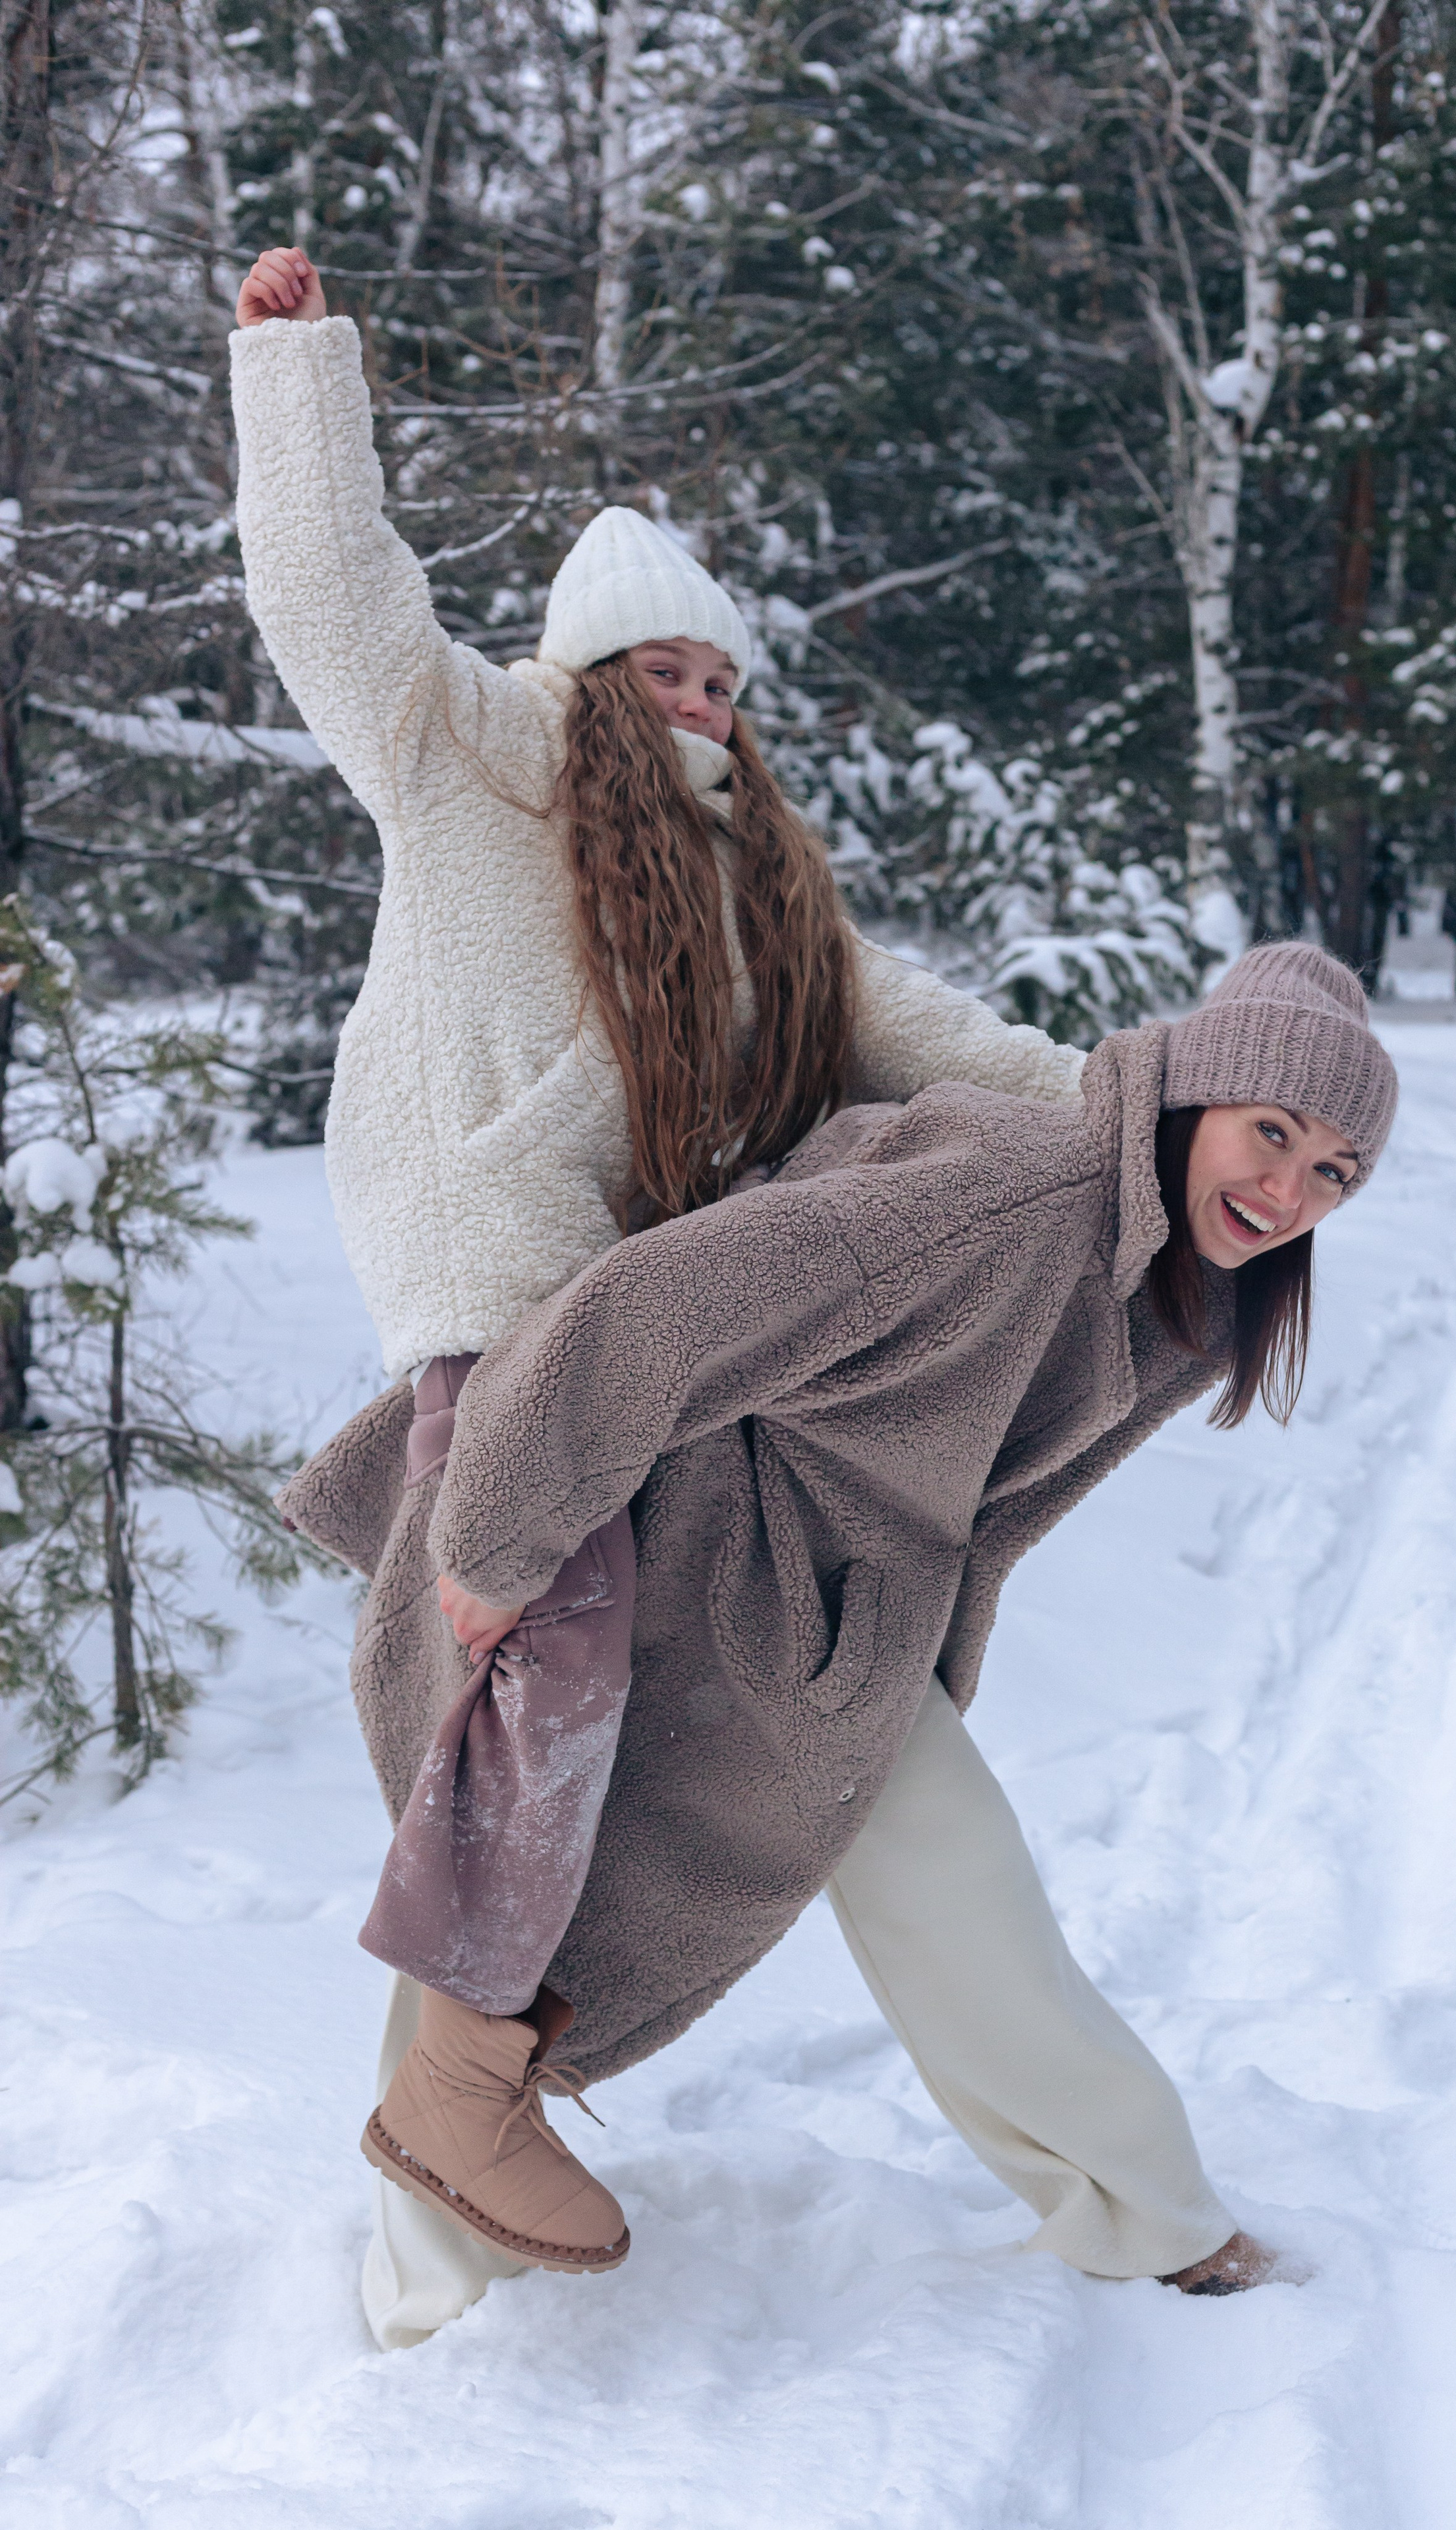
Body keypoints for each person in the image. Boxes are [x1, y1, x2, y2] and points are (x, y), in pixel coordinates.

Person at [231, 246, 1100, 2324]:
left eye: (723, 681)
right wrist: (297, 380)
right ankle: (459, 2092)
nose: (701, 708)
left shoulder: (757, 882)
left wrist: (1135, 1108)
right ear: (592, 669)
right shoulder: (467, 758)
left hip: (646, 1329)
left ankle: (461, 2152)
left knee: (636, 1688)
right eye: (666, 673)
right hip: (492, 1281)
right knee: (552, 1640)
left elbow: (927, 1030)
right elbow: (328, 598)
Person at [279, 942, 1399, 2344]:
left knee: (937, 1880)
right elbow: (656, 1306)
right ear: (1190, 1097)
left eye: (1333, 1174)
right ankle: (436, 2299)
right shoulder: (1016, 1197)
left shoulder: (1176, 1294)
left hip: (822, 1618)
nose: (1285, 1192)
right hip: (672, 1532)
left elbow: (992, 1510)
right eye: (1271, 1134)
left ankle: (1140, 2207)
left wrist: (920, 1664)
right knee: (515, 1838)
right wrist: (499, 1537)